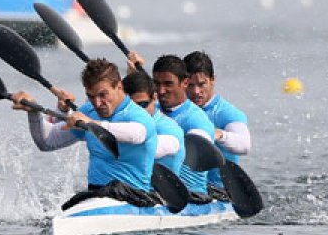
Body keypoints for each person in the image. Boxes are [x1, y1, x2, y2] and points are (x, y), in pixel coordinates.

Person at [11, 58, 159, 210]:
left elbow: (136, 135)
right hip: (96, 196)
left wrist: (90, 123)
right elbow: (47, 141)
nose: (97, 103)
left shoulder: (138, 116)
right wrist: (34, 112)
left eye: (103, 95)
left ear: (119, 87)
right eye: (91, 96)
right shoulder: (89, 112)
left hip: (136, 198)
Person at [184, 50, 251, 195]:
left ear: (212, 80)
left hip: (219, 191)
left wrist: (219, 135)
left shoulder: (227, 113)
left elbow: (245, 145)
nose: (196, 91)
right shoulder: (177, 109)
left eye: (202, 84)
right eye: (190, 85)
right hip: (185, 189)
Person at [150, 54, 215, 202]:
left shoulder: (197, 120)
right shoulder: (150, 107)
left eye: (168, 84)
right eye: (156, 84)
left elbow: (192, 164)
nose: (161, 91)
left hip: (190, 195)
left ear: (185, 83)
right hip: (155, 189)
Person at [123, 71, 185, 177]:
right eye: (131, 106)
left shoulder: (170, 130)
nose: (137, 112)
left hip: (160, 187)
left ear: (155, 98)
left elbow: (139, 152)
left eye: (142, 105)